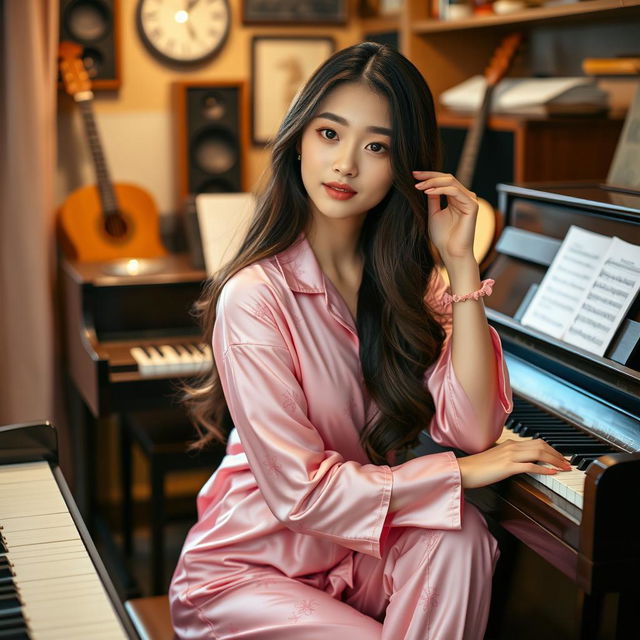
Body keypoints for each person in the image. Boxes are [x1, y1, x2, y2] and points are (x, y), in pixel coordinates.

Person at [169, 42, 571, 639]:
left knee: (461, 538)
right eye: (330, 134)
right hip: (250, 570)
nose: (346, 165)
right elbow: (299, 495)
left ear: (407, 166)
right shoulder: (254, 297)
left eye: (376, 146)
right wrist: (461, 474)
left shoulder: (416, 288)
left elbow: (472, 430)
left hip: (362, 556)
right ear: (299, 139)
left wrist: (461, 264)